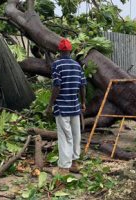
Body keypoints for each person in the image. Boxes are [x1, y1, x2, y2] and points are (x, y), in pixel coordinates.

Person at [46, 38, 86, 175]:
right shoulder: (77, 65)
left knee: (64, 136)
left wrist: (50, 105)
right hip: (75, 106)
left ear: (59, 51)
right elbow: (82, 86)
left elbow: (56, 86)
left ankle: (63, 168)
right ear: (70, 50)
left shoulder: (57, 65)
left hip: (62, 107)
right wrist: (84, 102)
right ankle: (74, 163)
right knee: (76, 135)